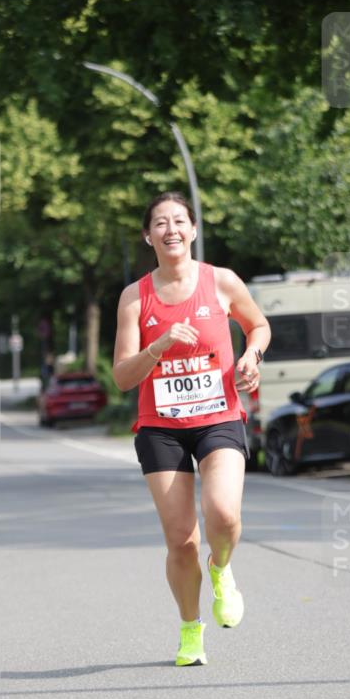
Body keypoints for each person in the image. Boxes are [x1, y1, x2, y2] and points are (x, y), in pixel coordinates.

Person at [113, 192, 271, 666]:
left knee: (222, 513)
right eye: (160, 223)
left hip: (218, 417)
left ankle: (221, 569)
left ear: (193, 230)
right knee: (181, 539)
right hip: (160, 429)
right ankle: (189, 629)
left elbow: (258, 325)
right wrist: (157, 344)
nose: (171, 229)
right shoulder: (134, 297)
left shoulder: (220, 281)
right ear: (148, 236)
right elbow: (122, 377)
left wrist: (251, 356)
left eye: (179, 220)